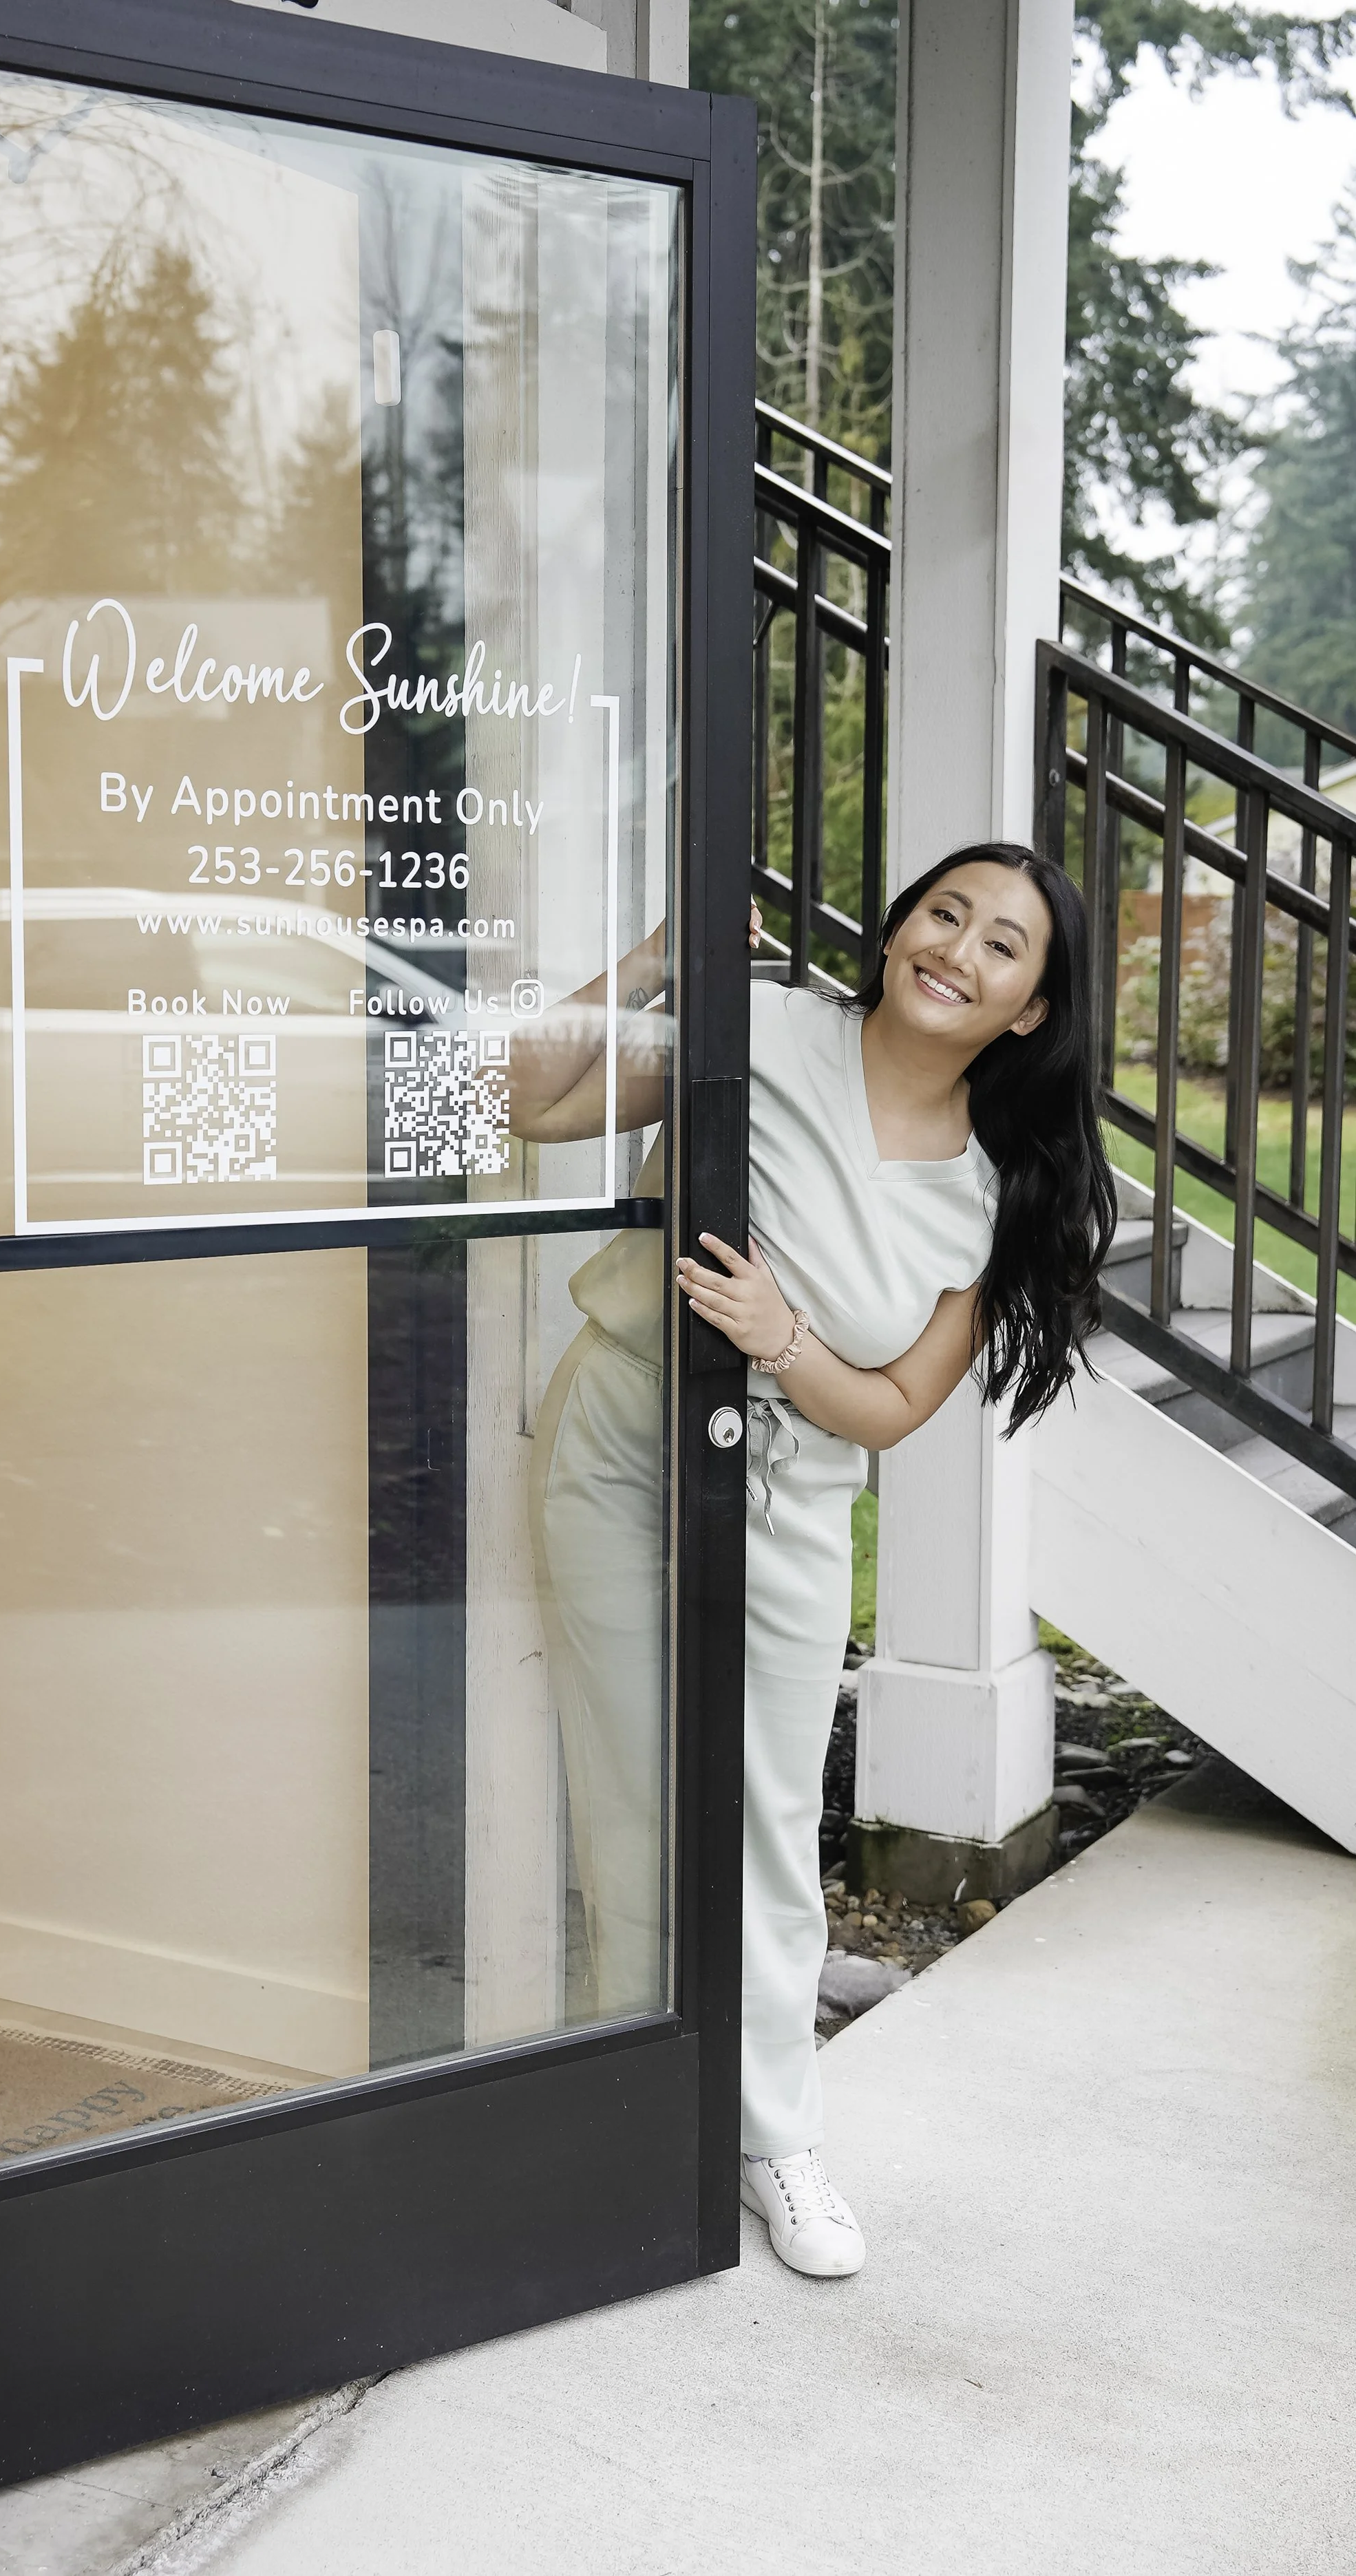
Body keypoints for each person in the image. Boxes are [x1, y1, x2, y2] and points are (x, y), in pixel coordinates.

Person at [509, 843, 1116, 2277]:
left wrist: (782, 1336)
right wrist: (659, 959)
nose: (955, 948)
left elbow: (896, 1406)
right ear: (899, 926)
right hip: (616, 1442)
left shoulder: (989, 1188)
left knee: (767, 1817)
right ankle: (632, 2119)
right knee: (627, 1794)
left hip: (782, 1491)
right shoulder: (762, 1028)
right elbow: (525, 1105)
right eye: (942, 913)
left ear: (1028, 1007)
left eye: (1000, 945)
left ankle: (774, 2132)